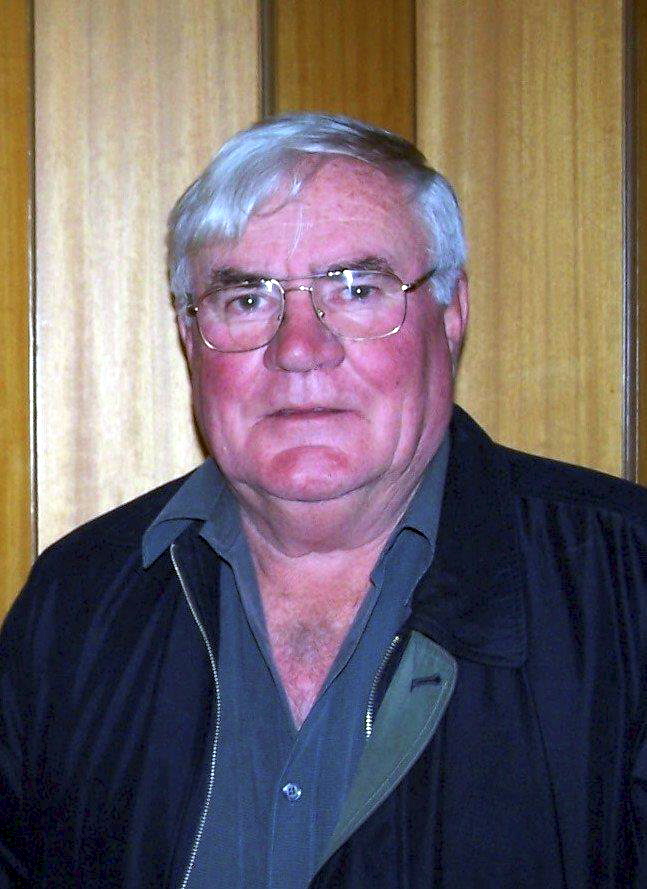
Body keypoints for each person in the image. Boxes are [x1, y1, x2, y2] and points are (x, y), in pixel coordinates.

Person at [1, 112, 646, 889]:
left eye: (355, 289)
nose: (299, 348)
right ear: (187, 333)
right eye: (246, 299)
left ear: (450, 312)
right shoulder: (79, 601)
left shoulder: (626, 586)